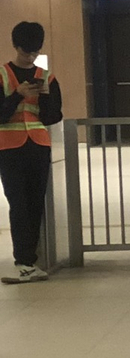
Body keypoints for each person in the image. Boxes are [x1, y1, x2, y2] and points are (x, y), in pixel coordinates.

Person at [0, 21, 62, 284]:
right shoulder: (2, 76)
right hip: (9, 147)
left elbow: (52, 116)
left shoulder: (47, 77)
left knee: (36, 203)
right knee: (18, 204)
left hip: (38, 145)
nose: (32, 57)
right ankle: (22, 261)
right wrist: (17, 95)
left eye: (35, 52)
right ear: (16, 47)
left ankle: (30, 261)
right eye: (27, 52)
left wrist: (45, 97)